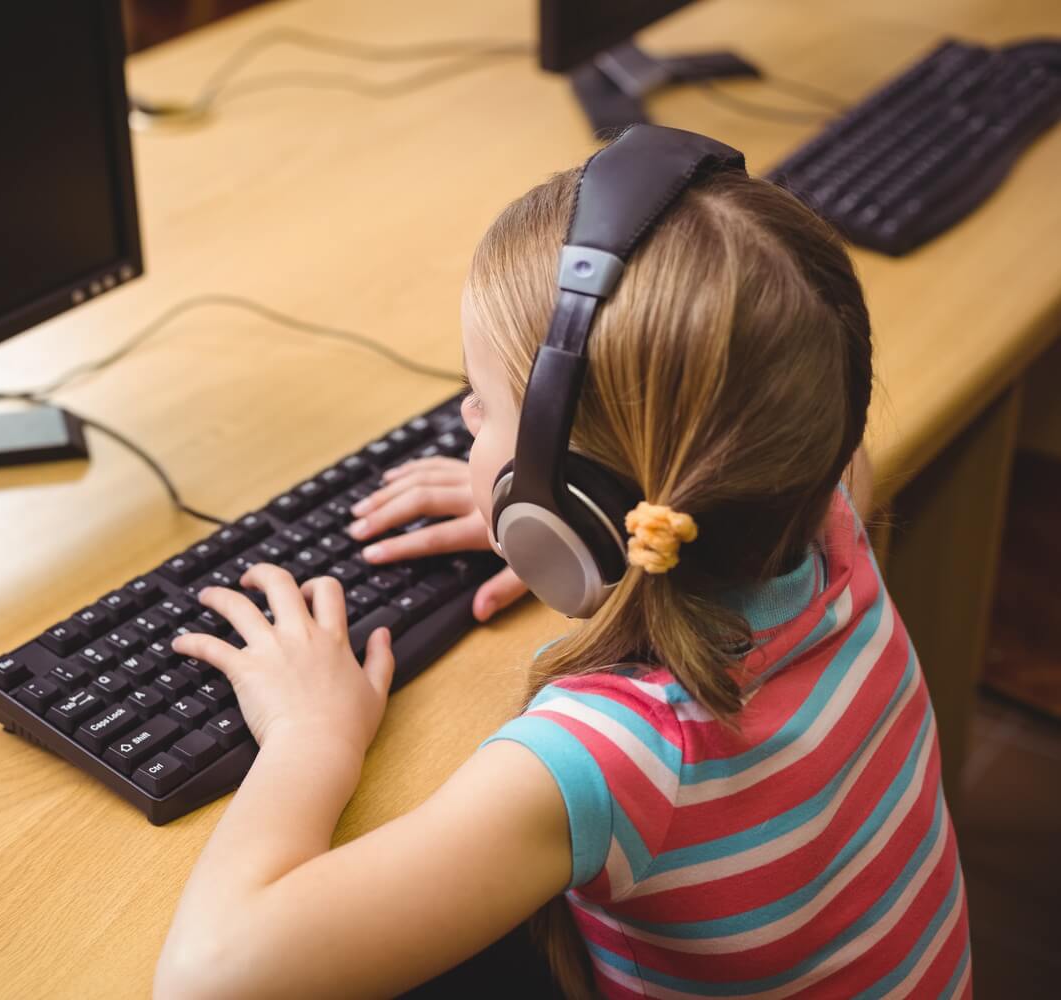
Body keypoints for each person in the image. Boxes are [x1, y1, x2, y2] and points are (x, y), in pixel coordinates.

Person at [153, 128, 970, 999]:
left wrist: (310, 736)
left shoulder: (623, 751)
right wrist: (569, 503)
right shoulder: (823, 512)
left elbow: (210, 979)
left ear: (569, 491)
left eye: (483, 402)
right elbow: (790, 414)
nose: (464, 414)